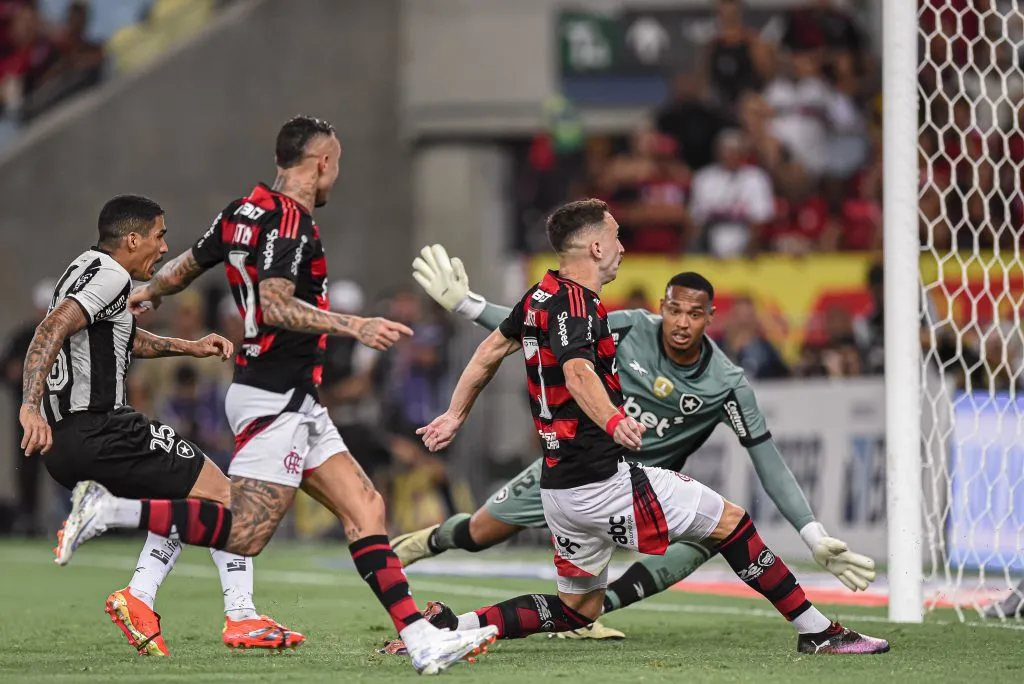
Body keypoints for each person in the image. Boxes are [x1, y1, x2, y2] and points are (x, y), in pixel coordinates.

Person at [49, 116, 498, 675]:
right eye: (336, 163)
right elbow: (276, 303)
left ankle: (420, 639)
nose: (337, 174)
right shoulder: (291, 222)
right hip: (274, 394)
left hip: (294, 397)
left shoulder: (242, 211)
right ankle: (111, 510)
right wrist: (354, 325)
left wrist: (146, 290)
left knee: (366, 509)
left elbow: (186, 265)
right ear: (322, 163)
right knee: (244, 532)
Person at [388, 204, 887, 653]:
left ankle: (452, 626)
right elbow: (578, 372)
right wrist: (613, 419)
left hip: (561, 489)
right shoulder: (581, 309)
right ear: (597, 246)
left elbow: (494, 348)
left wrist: (456, 412)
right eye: (618, 235)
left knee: (576, 610)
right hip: (602, 479)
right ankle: (817, 632)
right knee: (730, 522)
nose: (624, 246)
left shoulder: (544, 293)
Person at [17, 194, 302, 655]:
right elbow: (49, 330)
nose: (165, 246)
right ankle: (242, 618)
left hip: (70, 441)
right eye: (159, 234)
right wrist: (28, 406)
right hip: (101, 428)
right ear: (132, 238)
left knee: (182, 500)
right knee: (230, 499)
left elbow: (121, 339)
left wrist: (189, 347)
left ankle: (140, 598)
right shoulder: (110, 275)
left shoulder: (86, 269)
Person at [2, 277, 54, 535]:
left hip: (57, 416)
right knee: (27, 470)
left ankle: (69, 518)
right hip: (26, 418)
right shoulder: (22, 338)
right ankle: (29, 519)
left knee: (64, 467)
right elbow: (5, 369)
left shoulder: (66, 338)